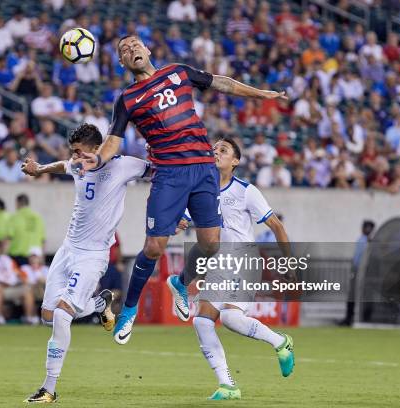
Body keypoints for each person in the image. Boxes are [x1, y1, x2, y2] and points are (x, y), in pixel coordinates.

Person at [75, 35, 287, 345]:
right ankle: (129, 310)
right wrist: (97, 158)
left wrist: (260, 94)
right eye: (124, 49)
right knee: (153, 247)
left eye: (135, 44)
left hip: (203, 169)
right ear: (121, 63)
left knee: (211, 244)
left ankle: (181, 282)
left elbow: (222, 83)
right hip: (169, 174)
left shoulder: (178, 72)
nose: (131, 49)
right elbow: (114, 141)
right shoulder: (129, 98)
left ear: (148, 49)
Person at [20, 123, 147, 403]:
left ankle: (49, 389)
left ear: (96, 149)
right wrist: (40, 168)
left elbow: (160, 173)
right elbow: (63, 165)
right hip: (68, 250)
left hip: (93, 255)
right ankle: (100, 304)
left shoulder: (124, 165)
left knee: (64, 315)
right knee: (48, 316)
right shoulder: (78, 165)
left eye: (79, 152)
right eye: (74, 152)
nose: (75, 158)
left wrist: (180, 210)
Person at [176, 136, 295, 400]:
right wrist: (178, 223)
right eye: (214, 149)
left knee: (229, 318)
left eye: (224, 150)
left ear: (235, 161)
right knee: (202, 320)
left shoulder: (245, 190)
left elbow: (276, 225)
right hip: (219, 263)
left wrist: (288, 261)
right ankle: (227, 384)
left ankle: (280, 342)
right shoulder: (201, 191)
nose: (216, 152)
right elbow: (183, 220)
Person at [339, 220, 375, 326]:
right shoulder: (363, 240)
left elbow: (359, 259)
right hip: (358, 271)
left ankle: (353, 318)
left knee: (355, 296)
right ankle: (350, 318)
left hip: (361, 272)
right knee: (353, 296)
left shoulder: (366, 241)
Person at [8, 194, 46, 265]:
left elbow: (8, 238)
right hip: (35, 258)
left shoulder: (14, 217)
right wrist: (42, 258)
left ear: (18, 203)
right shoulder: (38, 218)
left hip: (18, 258)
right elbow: (43, 241)